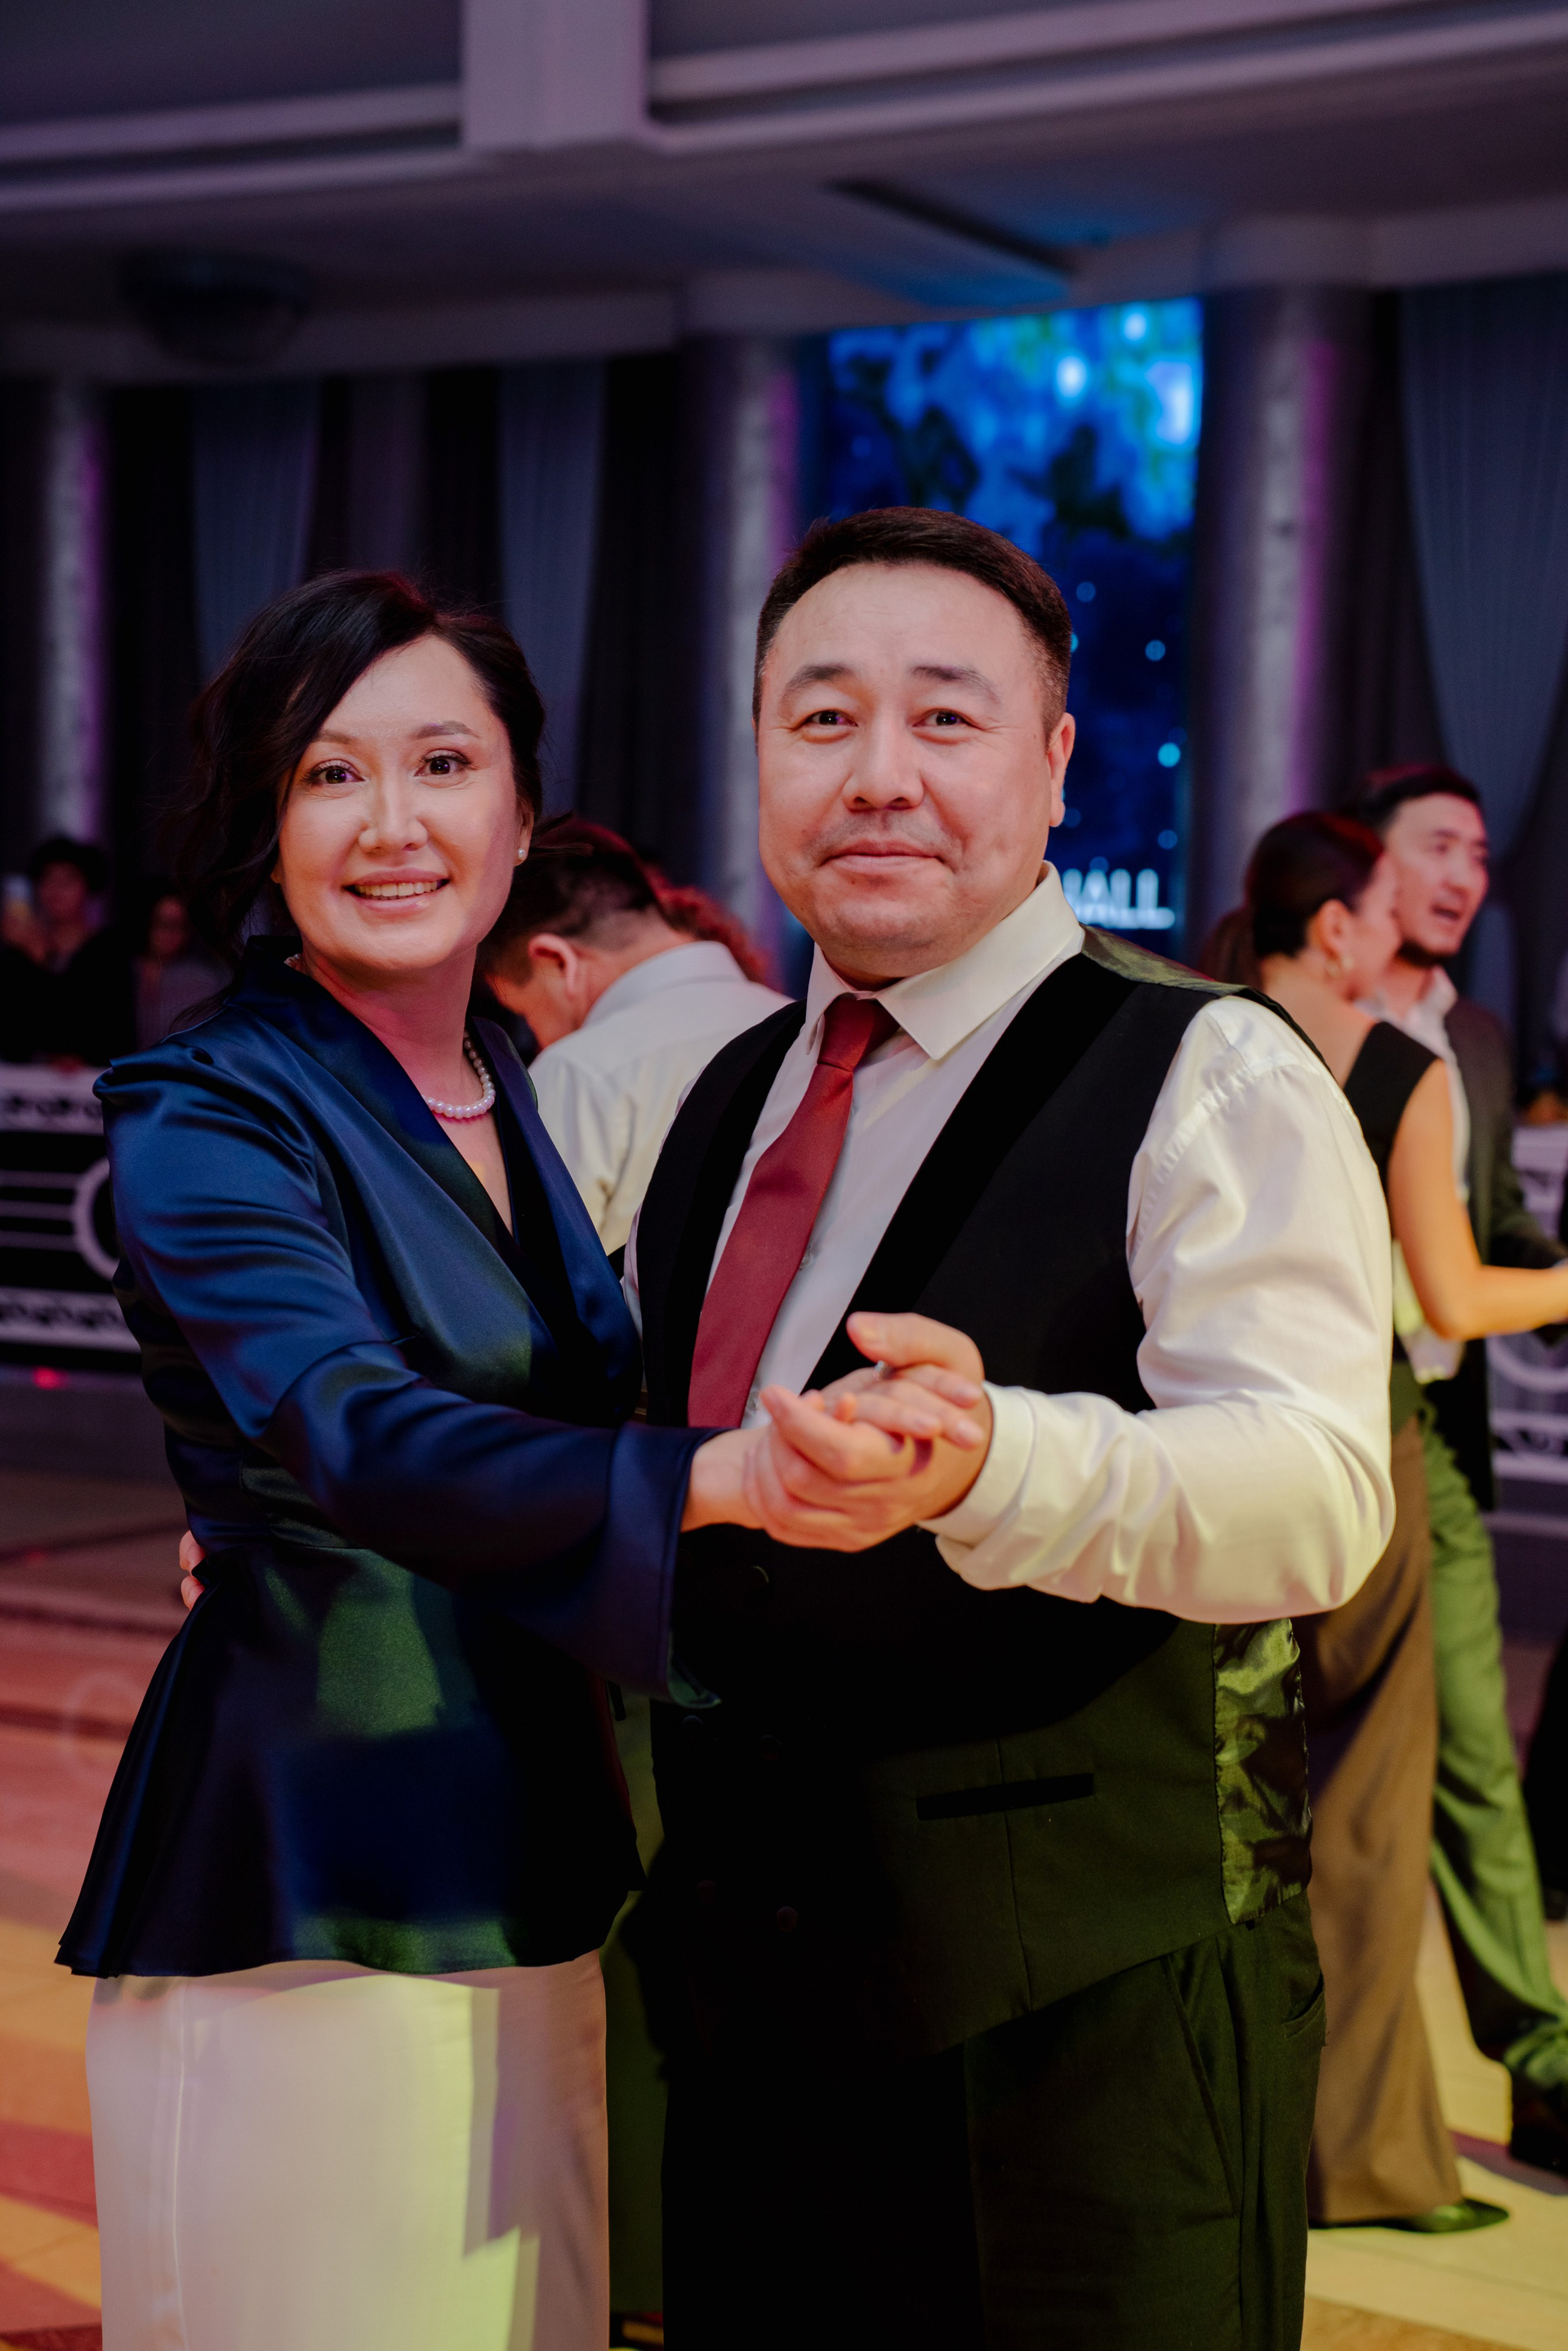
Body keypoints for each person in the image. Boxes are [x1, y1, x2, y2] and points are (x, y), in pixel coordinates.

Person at [66, 569, 979, 2351]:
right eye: (330, 773)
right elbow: (347, 1422)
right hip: (322, 1857)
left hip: (537, 1843)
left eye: (442, 763)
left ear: (519, 806)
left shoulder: (498, 1069)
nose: (392, 824)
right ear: (265, 818)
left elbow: (542, 1420)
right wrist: (721, 1476)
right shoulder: (209, 1098)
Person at [626, 508, 1396, 2351]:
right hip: (750, 2003)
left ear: (1055, 764)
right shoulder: (729, 1093)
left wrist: (1001, 1464)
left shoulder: (1206, 1065)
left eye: (947, 718)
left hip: (1080, 2023)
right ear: (758, 755)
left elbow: (1318, 1489)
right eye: (822, 718)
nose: (879, 774)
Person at [1224, 810, 1568, 2229]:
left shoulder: (1184, 1033)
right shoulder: (1392, 1062)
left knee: (1229, 1791)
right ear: (1336, 925)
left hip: (1200, 1433)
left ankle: (1226, 2122)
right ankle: (1356, 2155)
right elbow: (1458, 1294)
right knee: (1368, 1801)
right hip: (1359, 1439)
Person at [1348, 762, 1568, 2175]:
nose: (1463, 876)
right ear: (1366, 867)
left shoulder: (1475, 1035)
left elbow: (1489, 1233)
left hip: (1431, 1434)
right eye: (1436, 846)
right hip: (1312, 1428)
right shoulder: (1306, 1019)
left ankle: (1541, 2064)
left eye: (1480, 854)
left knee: (1480, 1751)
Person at [478, 818, 786, 1258]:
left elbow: (531, 1277)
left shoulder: (579, 1072)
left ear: (557, 961)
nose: (538, 1036)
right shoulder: (804, 1029)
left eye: (526, 1013)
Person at [26, 834, 135, 1069]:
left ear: (88, 886)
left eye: (67, 881)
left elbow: (114, 1027)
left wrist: (44, 963)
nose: (55, 890)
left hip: (90, 1081)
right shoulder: (23, 950)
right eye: (47, 879)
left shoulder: (108, 950)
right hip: (25, 1080)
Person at [131, 879, 228, 1049]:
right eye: (163, 923)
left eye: (180, 925)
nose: (171, 934)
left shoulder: (201, 981)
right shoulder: (121, 970)